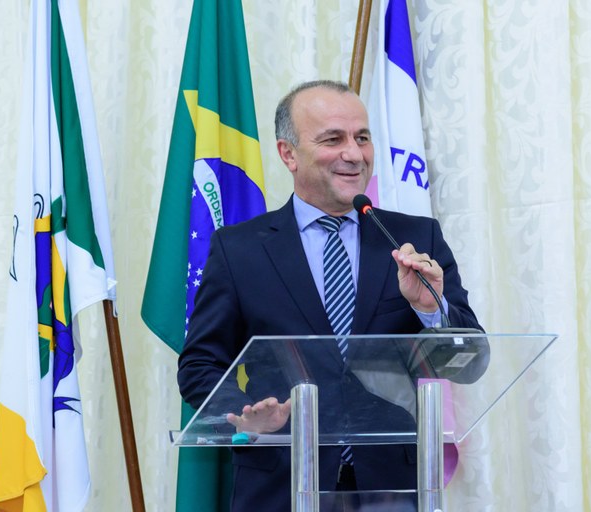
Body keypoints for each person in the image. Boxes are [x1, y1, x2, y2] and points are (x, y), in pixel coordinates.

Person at [178, 79, 481, 511]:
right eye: (333, 139)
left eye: (362, 138)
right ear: (288, 154)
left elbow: (470, 362)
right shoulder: (239, 249)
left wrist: (431, 310)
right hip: (279, 484)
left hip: (390, 488)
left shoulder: (415, 237)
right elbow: (199, 365)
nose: (354, 154)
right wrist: (248, 412)